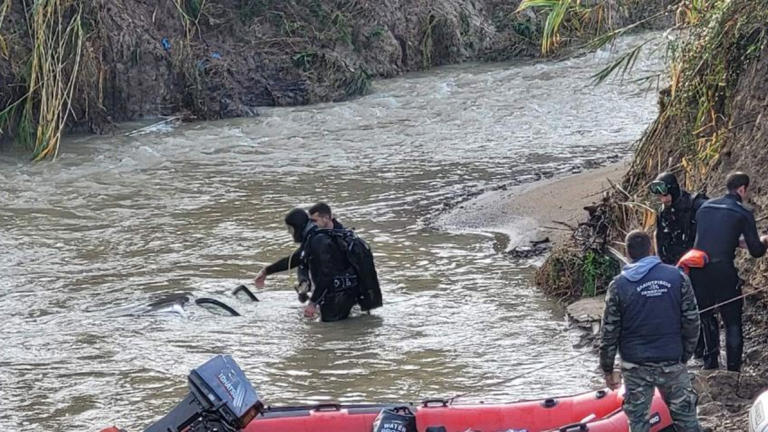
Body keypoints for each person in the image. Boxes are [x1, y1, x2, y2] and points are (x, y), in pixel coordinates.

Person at [599, 230, 701, 432]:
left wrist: (608, 369)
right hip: (672, 360)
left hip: (636, 366)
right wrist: (685, 354)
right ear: (651, 249)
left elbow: (609, 332)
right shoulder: (677, 277)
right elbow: (692, 321)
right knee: (687, 422)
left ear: (627, 253)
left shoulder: (618, 285)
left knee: (638, 424)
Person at [688, 172, 768, 371]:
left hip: (698, 268)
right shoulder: (743, 212)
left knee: (706, 316)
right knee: (732, 319)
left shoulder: (704, 208)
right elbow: (757, 251)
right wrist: (764, 240)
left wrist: (735, 241)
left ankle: (710, 364)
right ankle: (733, 371)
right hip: (723, 270)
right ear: (742, 189)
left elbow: (713, 237)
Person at [281, 208, 360, 322]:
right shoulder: (318, 240)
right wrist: (304, 283)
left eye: (315, 221)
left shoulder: (322, 242)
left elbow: (326, 276)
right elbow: (302, 264)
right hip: (347, 294)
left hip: (339, 296)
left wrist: (313, 303)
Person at [254, 202, 343, 290]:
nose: (313, 225)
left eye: (314, 221)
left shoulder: (334, 238)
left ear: (327, 218)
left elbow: (297, 259)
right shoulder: (314, 237)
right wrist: (304, 282)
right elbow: (299, 259)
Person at [649, 172, 707, 265]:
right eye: (660, 197)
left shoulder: (697, 206)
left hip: (698, 263)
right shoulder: (664, 213)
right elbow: (659, 237)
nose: (663, 200)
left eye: (666, 195)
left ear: (673, 191)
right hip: (674, 267)